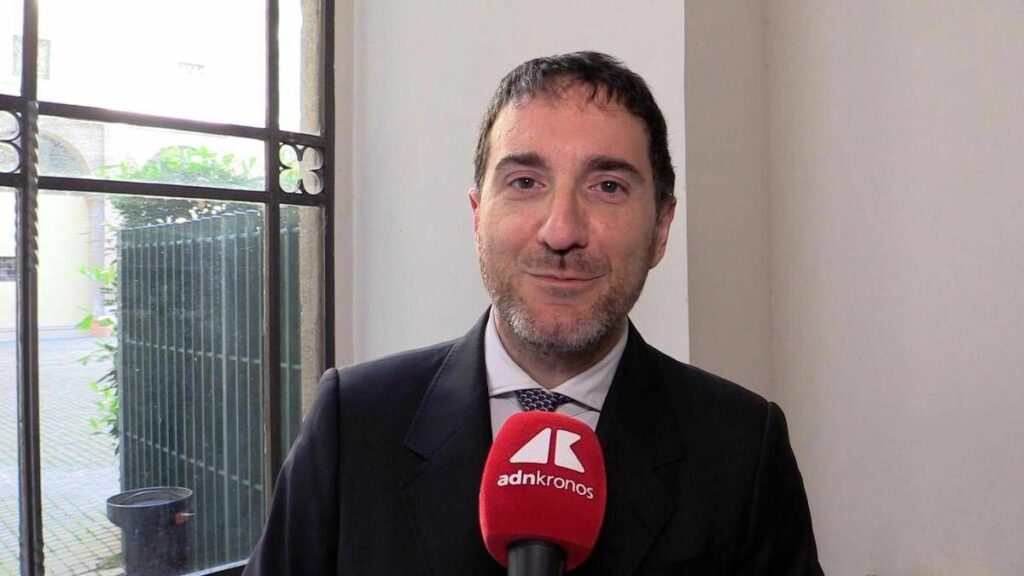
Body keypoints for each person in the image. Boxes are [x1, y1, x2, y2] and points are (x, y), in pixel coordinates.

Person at [244, 51, 823, 575]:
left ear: (661, 228)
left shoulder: (742, 447)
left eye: (608, 186)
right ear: (478, 215)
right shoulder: (352, 423)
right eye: (525, 181)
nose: (561, 231)